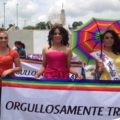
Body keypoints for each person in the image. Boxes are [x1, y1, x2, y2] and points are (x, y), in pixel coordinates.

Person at [0, 30, 22, 112]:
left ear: (8, 39)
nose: (3, 40)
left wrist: (10, 70)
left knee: (7, 108)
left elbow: (19, 68)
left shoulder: (13, 52)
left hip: (8, 83)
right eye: (1, 38)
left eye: (5, 38)